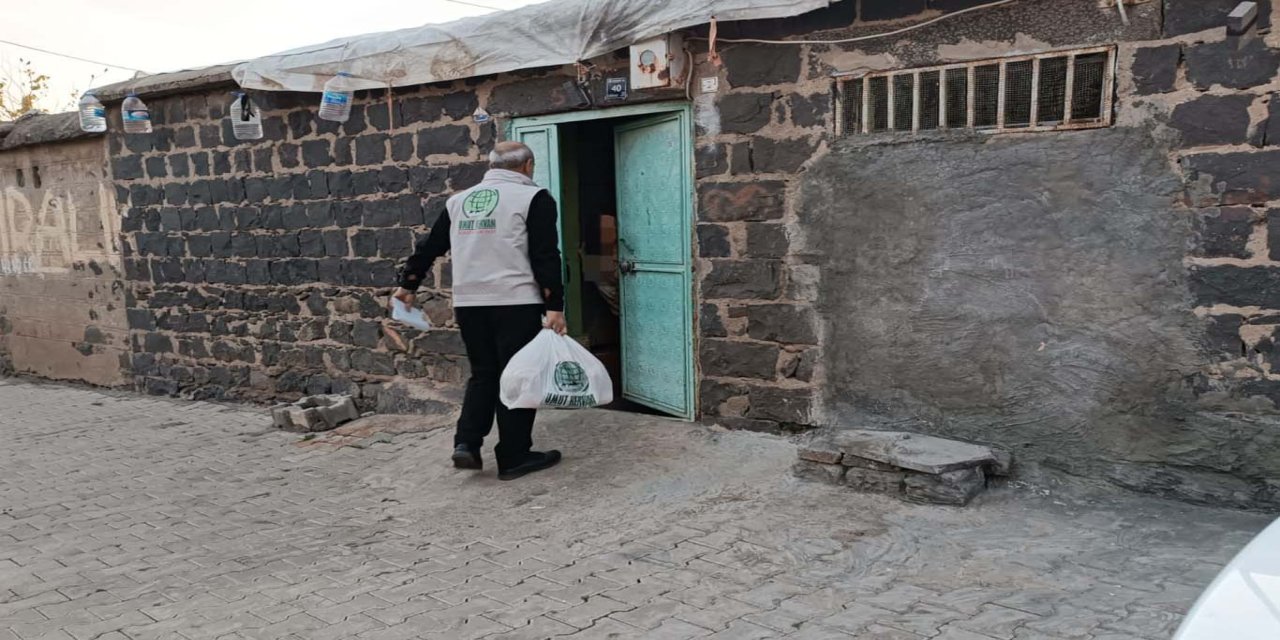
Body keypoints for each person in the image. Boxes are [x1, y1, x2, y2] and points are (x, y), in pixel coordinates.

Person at [392, 141, 567, 481]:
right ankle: (514, 456)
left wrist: (408, 284)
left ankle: (467, 443)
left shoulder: (459, 201)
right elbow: (545, 254)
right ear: (528, 165)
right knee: (517, 375)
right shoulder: (534, 198)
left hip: (470, 304)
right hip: (515, 302)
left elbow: (430, 245)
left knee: (483, 373)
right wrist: (554, 306)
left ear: (491, 166)